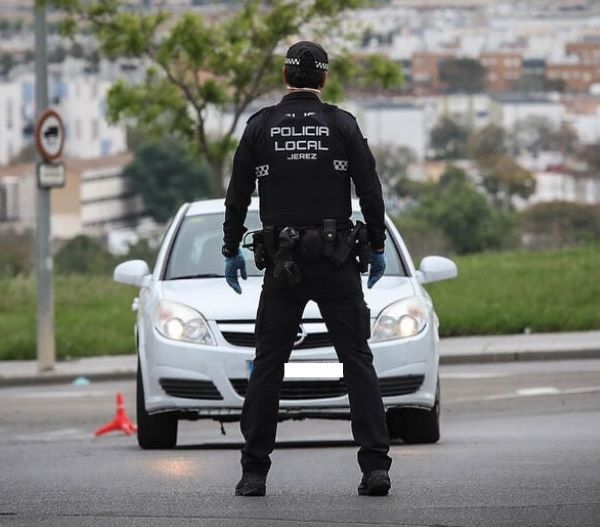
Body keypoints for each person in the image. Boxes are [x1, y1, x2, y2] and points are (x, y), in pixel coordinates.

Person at [222, 41, 392, 497]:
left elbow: (237, 195)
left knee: (268, 366)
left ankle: (253, 473)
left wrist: (229, 248)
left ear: (284, 75)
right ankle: (375, 468)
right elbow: (370, 191)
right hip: (336, 261)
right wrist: (376, 245)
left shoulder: (260, 126)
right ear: (323, 79)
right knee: (356, 360)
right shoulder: (341, 124)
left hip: (283, 265)